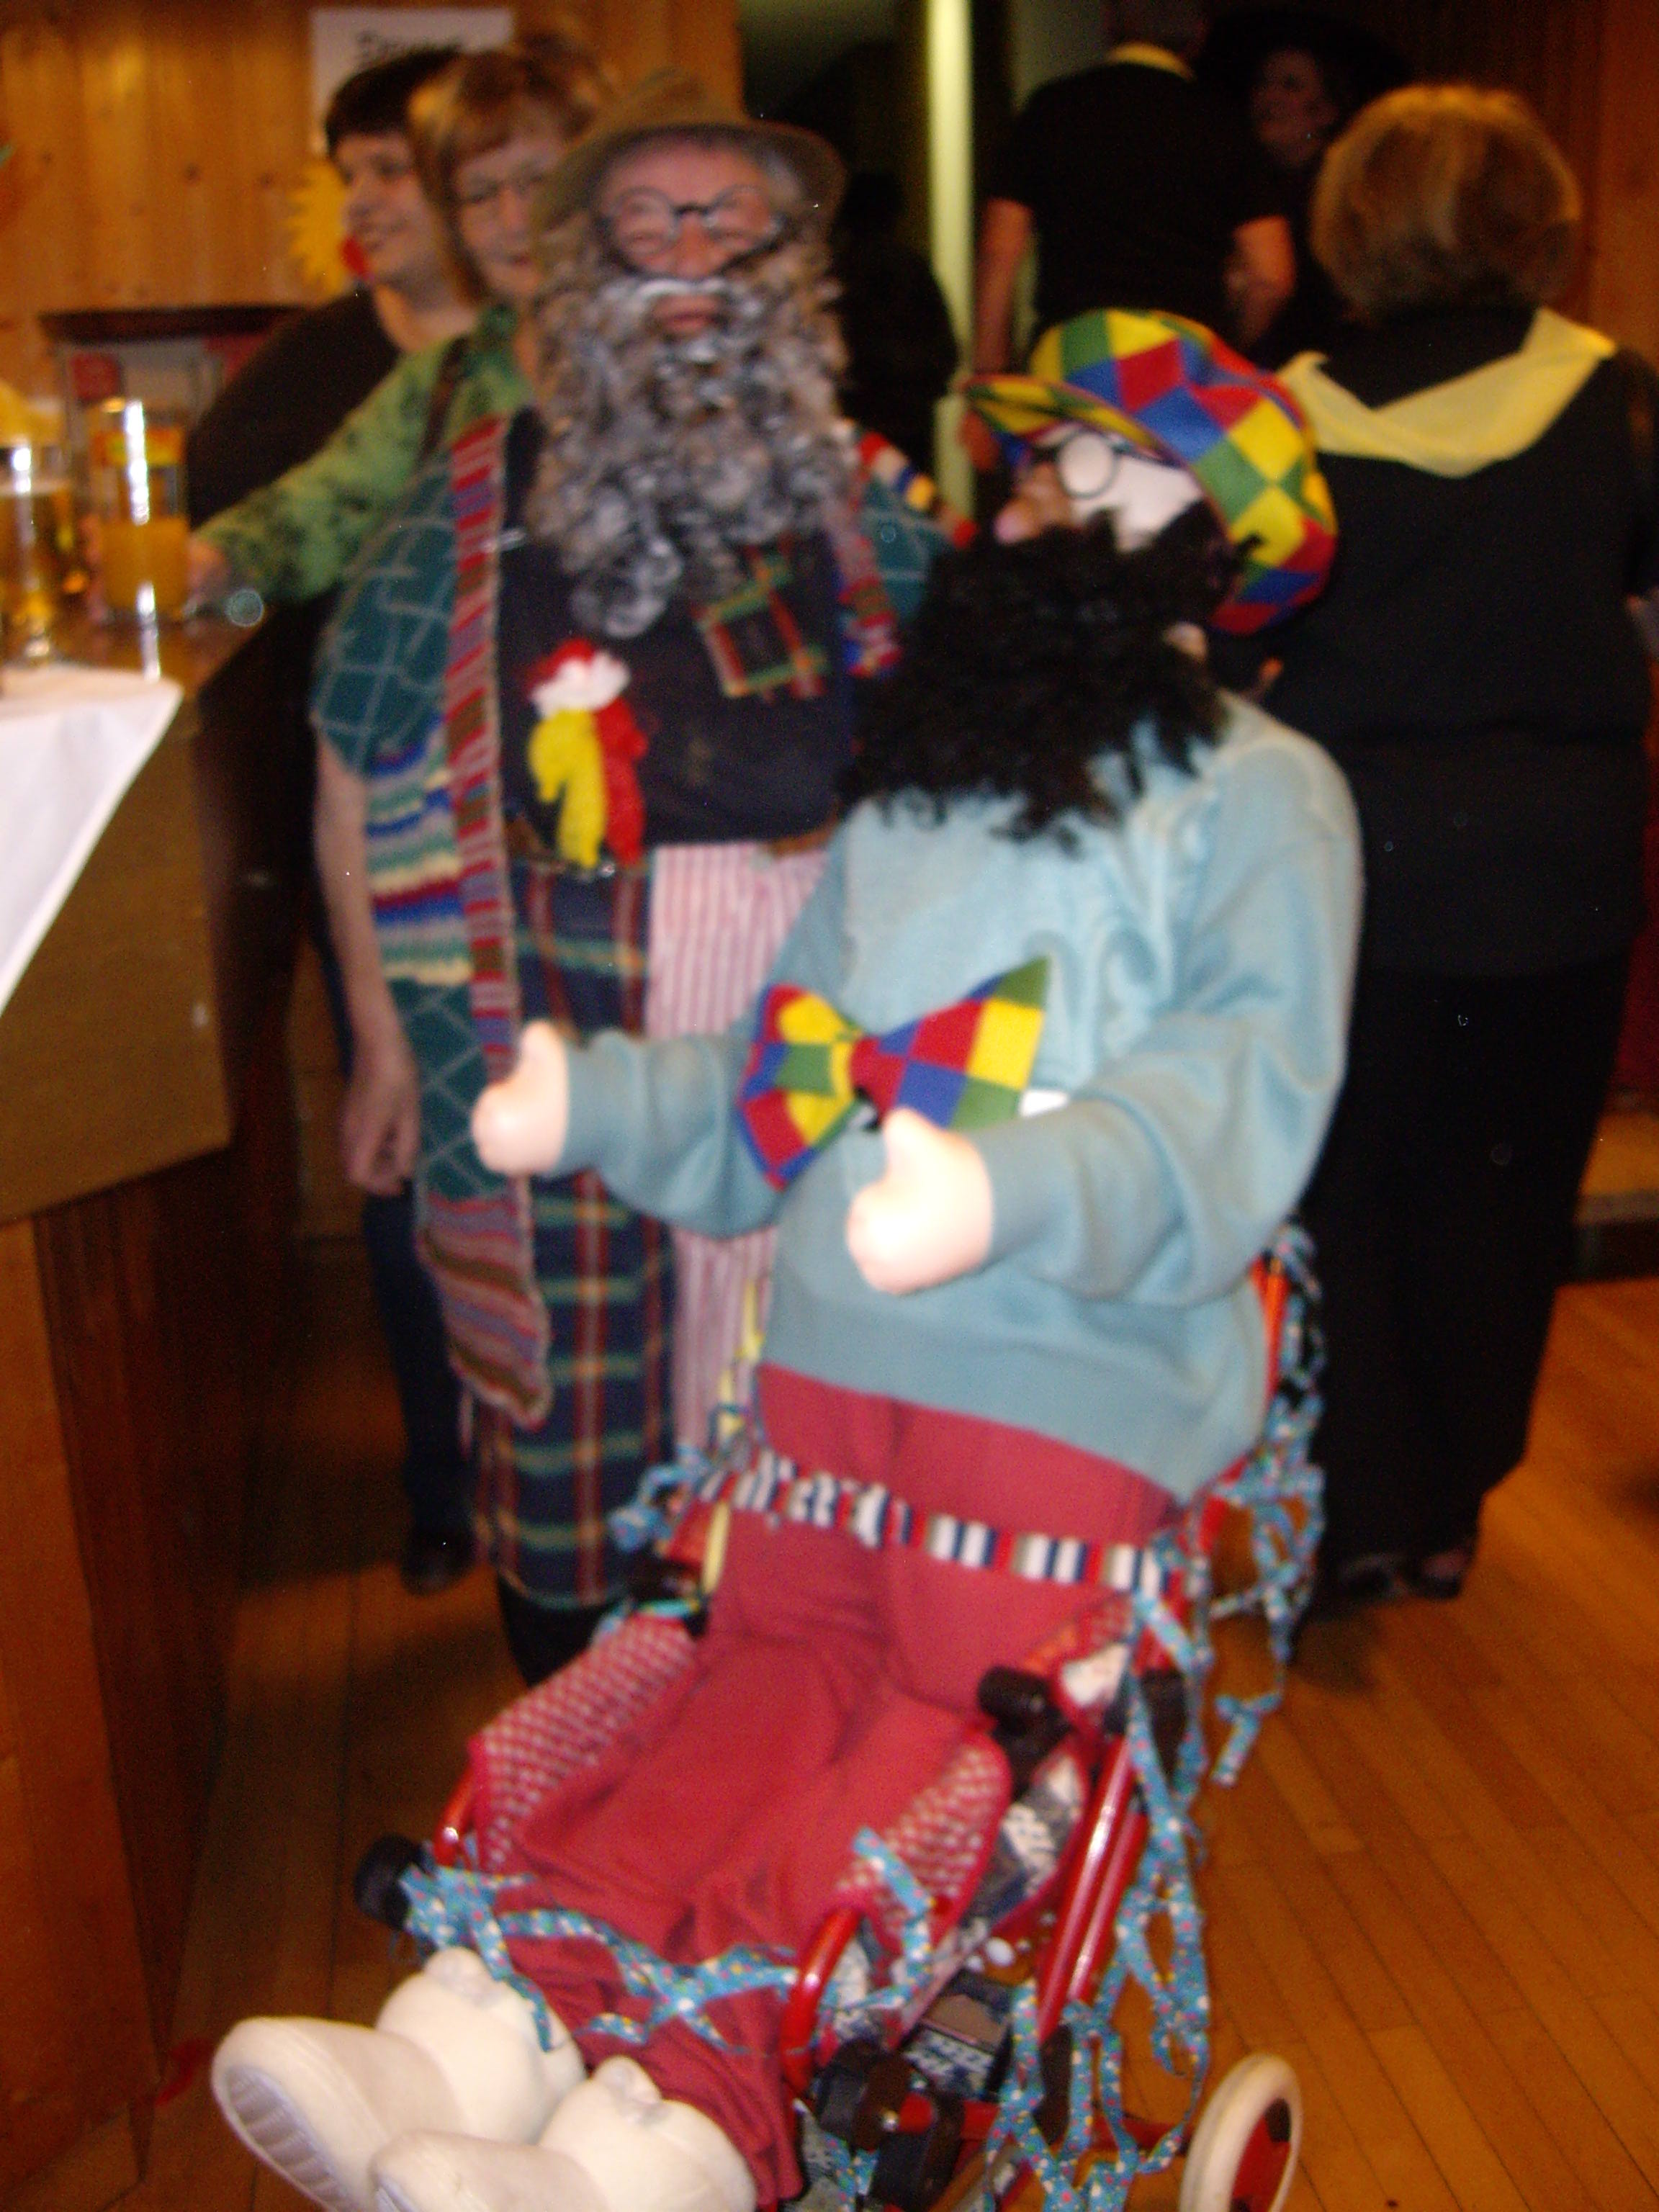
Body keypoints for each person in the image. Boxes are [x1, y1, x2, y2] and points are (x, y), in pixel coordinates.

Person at [208, 307, 1357, 2212]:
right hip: (821, 1385)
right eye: (1034, 465)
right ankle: (477, 2034)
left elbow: (1233, 1100)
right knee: (728, 1708)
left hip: (1054, 1404)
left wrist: (1002, 1190)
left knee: (911, 1762)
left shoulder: (1265, 794)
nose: (1036, 505)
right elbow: (781, 1073)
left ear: (1217, 536)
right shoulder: (918, 790)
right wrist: (598, 1102)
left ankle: (671, 2128)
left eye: (1095, 469)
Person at [305, 71, 968, 1688]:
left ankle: (785, 1735)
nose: (688, 260)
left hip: (821, 1012)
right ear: (581, 271)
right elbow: (353, 752)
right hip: (553, 1027)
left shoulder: (875, 508)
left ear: (787, 271)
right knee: (577, 1433)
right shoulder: (468, 503)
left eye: (728, 224)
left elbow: (992, 756)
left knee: (812, 1399)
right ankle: (582, 1741)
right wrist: (382, 1043)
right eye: (645, 224)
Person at [1261, 86, 1659, 1604]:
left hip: (1344, 863)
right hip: (1558, 866)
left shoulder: (1284, 417)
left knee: (1341, 1187)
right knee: (1505, 1190)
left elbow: (1223, 648)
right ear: (1531, 221)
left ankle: (1352, 1505)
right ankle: (1447, 1508)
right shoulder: (1613, 392)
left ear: (1351, 224)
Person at [185, 45, 485, 1595]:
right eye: (348, 175)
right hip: (373, 807)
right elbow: (241, 550)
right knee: (409, 1142)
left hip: (559, 817)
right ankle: (445, 1484)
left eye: (392, 172)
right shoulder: (319, 376)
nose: (364, 203)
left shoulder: (549, 356)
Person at [188, 40, 606, 611]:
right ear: (454, 222)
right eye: (480, 195)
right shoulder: (444, 378)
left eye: (537, 182)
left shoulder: (681, 352)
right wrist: (213, 560)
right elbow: (325, 506)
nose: (512, 221)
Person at [969, 0, 1292, 441]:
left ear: (1109, 21)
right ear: (1199, 35)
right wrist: (1226, 345)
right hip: (1181, 373)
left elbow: (999, 253)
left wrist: (988, 381)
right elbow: (1272, 277)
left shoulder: (1051, 109)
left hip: (1072, 367)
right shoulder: (1222, 124)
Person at [830, 171, 958, 473]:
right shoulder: (910, 267)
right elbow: (944, 351)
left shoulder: (838, 271)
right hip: (906, 418)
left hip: (859, 416)